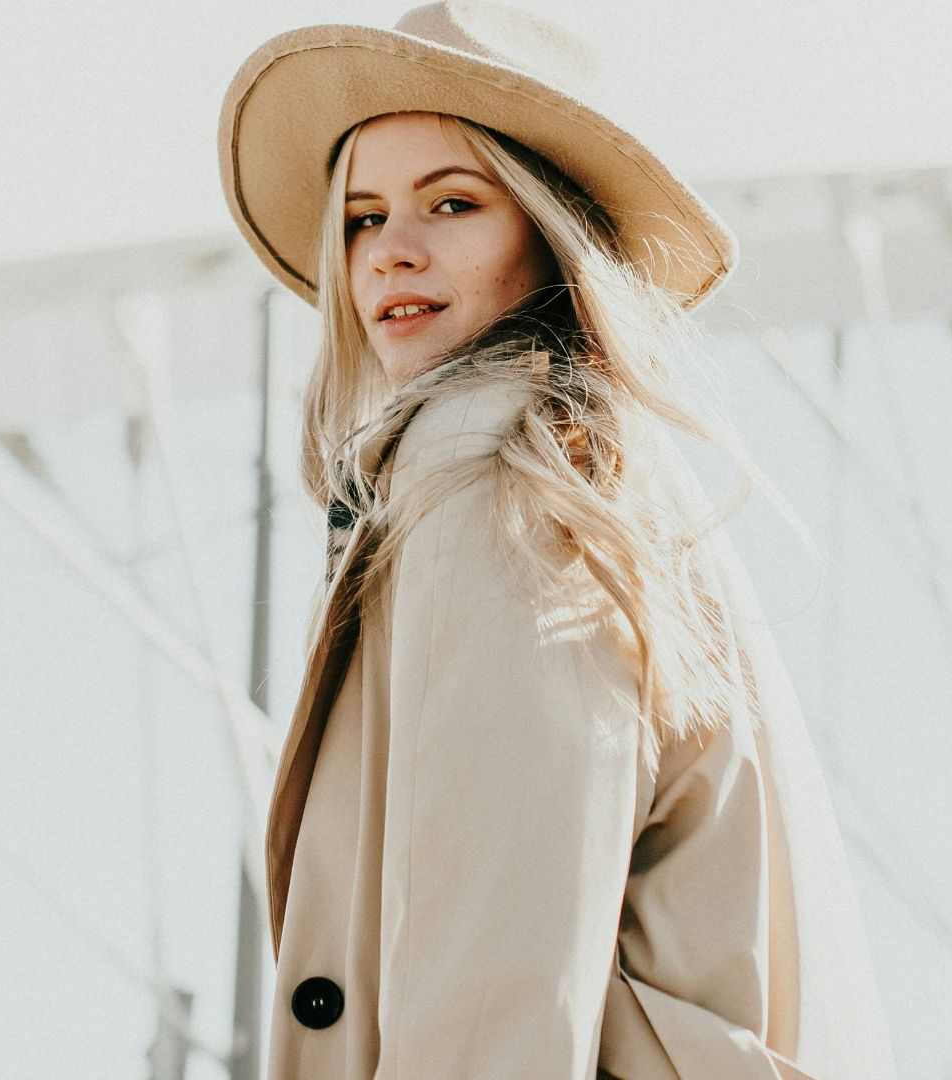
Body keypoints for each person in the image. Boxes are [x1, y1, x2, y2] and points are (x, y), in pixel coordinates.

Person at [218, 4, 902, 1078]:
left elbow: (493, 968)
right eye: (360, 218)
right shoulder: (600, 475)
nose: (391, 252)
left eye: (451, 203)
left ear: (548, 227)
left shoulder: (498, 473)